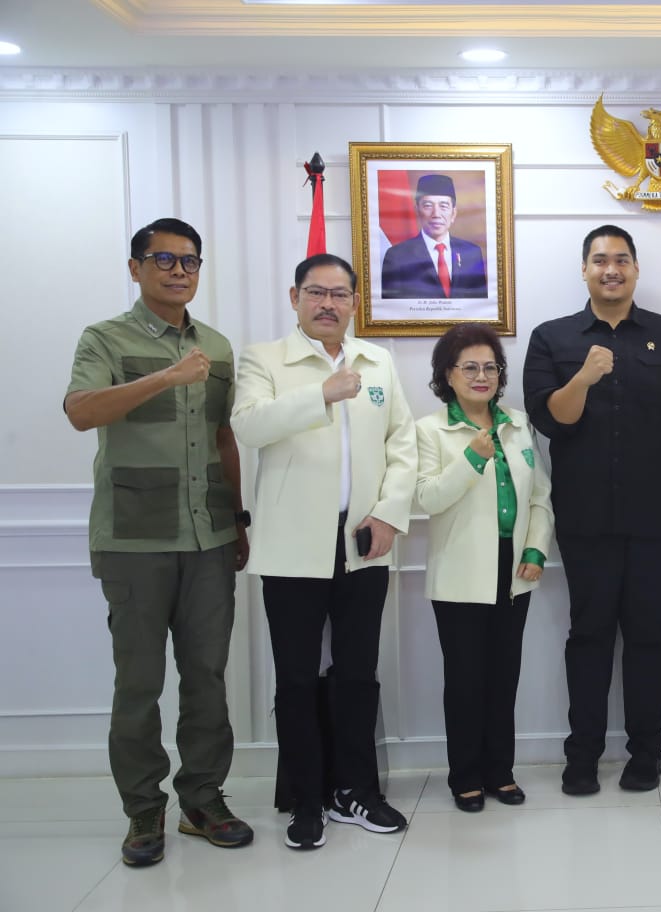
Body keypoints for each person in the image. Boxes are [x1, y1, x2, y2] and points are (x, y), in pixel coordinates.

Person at [64, 217, 254, 867]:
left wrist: (238, 520)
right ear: (136, 267)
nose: (178, 271)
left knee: (206, 677)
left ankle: (202, 800)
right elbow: (81, 410)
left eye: (190, 261)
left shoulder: (218, 348)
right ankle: (144, 813)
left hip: (209, 536)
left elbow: (224, 437)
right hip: (134, 540)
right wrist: (165, 378)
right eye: (163, 259)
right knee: (138, 684)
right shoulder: (106, 337)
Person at [231, 253, 417, 850]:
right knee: (296, 681)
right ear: (295, 298)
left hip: (363, 544)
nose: (328, 304)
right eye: (316, 293)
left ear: (355, 303)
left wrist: (389, 514)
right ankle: (306, 800)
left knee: (358, 676)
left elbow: (403, 444)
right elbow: (250, 426)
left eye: (339, 295)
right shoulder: (265, 360)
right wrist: (323, 392)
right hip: (290, 550)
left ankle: (357, 790)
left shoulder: (378, 360)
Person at [523, 224, 661, 796]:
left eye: (621, 260)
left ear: (635, 270)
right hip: (583, 519)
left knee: (649, 637)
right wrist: (584, 375)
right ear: (584, 270)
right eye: (600, 260)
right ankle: (582, 757)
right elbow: (551, 420)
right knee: (589, 636)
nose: (611, 269)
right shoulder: (551, 337)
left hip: (656, 518)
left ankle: (645, 755)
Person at [414, 324, 553, 813]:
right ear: (446, 375)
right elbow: (428, 498)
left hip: (514, 572)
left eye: (490, 367)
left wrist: (536, 550)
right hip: (458, 576)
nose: (481, 376)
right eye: (468, 367)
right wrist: (471, 457)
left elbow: (540, 497)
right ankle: (465, 777)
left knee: (503, 678)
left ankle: (500, 772)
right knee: (466, 681)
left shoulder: (518, 424)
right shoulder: (431, 431)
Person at [380, 173, 488, 299]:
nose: (436, 214)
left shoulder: (471, 253)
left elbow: (479, 306)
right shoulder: (397, 257)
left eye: (443, 206)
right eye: (428, 205)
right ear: (417, 211)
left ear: (453, 213)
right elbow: (392, 310)